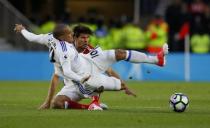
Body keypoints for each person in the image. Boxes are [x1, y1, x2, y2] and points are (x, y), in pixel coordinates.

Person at [14, 24, 168, 110]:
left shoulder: (53, 39)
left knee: (117, 55)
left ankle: (156, 59)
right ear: (64, 37)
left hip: (87, 75)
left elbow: (31, 37)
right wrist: (47, 102)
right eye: (71, 34)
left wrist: (22, 30)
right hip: (74, 83)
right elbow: (59, 75)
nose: (72, 35)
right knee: (57, 103)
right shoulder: (65, 51)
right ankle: (88, 106)